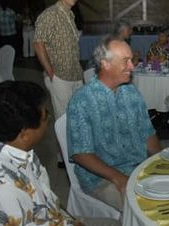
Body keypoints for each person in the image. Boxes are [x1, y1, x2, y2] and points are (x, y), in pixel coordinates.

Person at [0, 80, 121, 226]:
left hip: (56, 224)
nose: (48, 118)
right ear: (24, 134)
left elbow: (47, 199)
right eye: (45, 116)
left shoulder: (19, 150)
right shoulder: (3, 185)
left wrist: (75, 223)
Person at [67, 37, 162, 210]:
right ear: (106, 64)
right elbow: (81, 154)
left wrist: (163, 160)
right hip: (101, 177)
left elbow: (147, 133)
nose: (132, 67)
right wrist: (118, 177)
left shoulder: (132, 93)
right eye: (126, 61)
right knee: (143, 209)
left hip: (137, 168)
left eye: (131, 60)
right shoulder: (82, 100)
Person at [34, 0, 83, 121]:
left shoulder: (69, 14)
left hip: (76, 74)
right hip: (60, 76)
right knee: (64, 118)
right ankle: (64, 140)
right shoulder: (50, 14)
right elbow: (37, 43)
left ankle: (75, 139)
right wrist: (49, 71)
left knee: (78, 114)